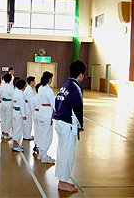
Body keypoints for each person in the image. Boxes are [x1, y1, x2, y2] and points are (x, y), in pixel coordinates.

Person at [53, 60, 86, 192]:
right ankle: (62, 182)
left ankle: (62, 178)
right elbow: (78, 108)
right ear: (80, 74)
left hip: (60, 121)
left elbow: (57, 102)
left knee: (62, 151)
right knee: (67, 152)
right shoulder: (75, 87)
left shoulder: (65, 86)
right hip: (67, 124)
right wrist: (81, 125)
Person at [37, 71, 55, 164]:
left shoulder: (40, 88)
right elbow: (53, 104)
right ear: (49, 79)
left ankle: (40, 153)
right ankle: (44, 156)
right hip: (47, 111)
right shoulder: (48, 90)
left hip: (41, 110)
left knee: (40, 132)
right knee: (46, 134)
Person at [0, 73, 14, 140]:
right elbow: (13, 97)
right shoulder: (11, 87)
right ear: (10, 80)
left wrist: (0, 99)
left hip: (3, 102)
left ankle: (3, 132)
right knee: (8, 119)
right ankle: (7, 133)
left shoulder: (2, 86)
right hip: (9, 102)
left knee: (3, 118)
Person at [12, 79, 27, 152]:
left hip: (15, 111)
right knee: (18, 129)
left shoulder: (15, 91)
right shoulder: (21, 93)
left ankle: (16, 143)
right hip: (19, 113)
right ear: (23, 86)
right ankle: (15, 145)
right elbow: (22, 105)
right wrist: (24, 115)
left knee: (16, 128)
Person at [23, 76, 35, 140]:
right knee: (28, 122)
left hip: (26, 106)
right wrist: (33, 110)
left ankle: (26, 134)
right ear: (32, 82)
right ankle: (27, 135)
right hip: (28, 107)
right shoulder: (29, 90)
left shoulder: (28, 88)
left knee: (27, 122)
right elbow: (30, 101)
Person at [31, 83, 41, 152]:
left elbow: (32, 108)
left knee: (36, 129)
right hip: (42, 114)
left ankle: (36, 144)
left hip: (35, 113)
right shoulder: (44, 98)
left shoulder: (34, 98)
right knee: (42, 130)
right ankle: (40, 145)